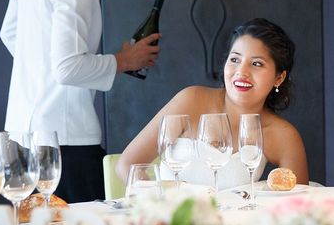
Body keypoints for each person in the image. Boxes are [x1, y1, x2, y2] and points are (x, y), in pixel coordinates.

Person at [0, 0, 160, 203]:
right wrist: (124, 60)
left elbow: (10, 33)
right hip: (64, 145)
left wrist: (43, 75)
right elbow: (67, 67)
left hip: (21, 139)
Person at [116, 18, 309, 188]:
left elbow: (298, 206)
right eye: (235, 59)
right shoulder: (191, 100)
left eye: (256, 63)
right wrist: (162, 211)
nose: (241, 72)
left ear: (279, 78)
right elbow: (127, 166)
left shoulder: (281, 135)